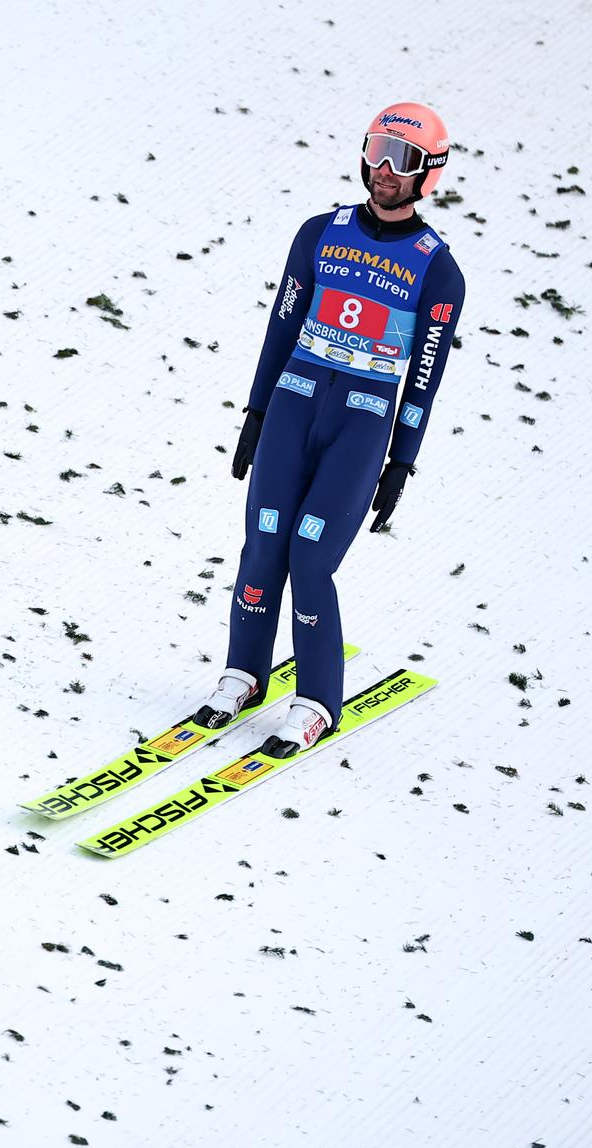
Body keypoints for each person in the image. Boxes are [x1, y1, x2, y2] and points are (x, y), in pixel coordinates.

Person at [194, 101, 466, 757]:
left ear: (428, 173)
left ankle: (317, 702)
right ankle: (244, 675)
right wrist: (256, 413)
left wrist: (401, 461)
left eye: (400, 161)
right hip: (294, 404)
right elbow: (281, 328)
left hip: (361, 424)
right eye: (375, 151)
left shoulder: (438, 269)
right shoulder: (320, 232)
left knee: (311, 561)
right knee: (263, 546)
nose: (383, 172)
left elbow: (423, 377)